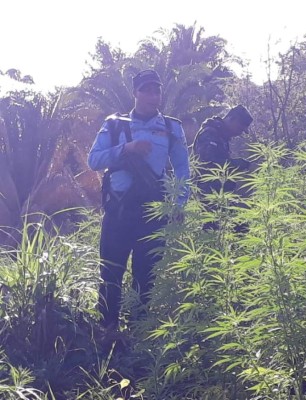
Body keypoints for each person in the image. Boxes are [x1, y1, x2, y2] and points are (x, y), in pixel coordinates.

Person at [88, 69, 190, 331]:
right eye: (146, 90)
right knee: (111, 272)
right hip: (118, 211)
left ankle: (137, 332)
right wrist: (127, 148)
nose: (153, 95)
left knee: (146, 276)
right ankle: (108, 329)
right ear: (135, 93)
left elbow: (182, 170)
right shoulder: (115, 124)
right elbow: (94, 160)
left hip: (153, 213)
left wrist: (179, 205)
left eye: (157, 90)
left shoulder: (170, 127)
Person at [192, 105, 253, 230]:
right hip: (209, 195)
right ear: (231, 119)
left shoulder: (221, 136)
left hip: (221, 193)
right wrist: (235, 164)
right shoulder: (209, 133)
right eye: (240, 127)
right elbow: (209, 161)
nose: (240, 132)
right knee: (214, 231)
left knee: (240, 228)